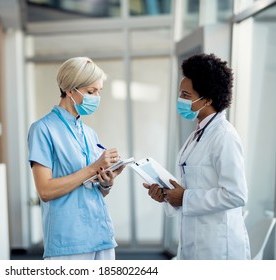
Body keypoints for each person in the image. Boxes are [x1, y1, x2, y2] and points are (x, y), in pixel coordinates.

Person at [144, 53, 250, 259]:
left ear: (208, 99)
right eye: (180, 94)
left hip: (218, 248)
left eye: (185, 95)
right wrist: (168, 196)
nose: (180, 100)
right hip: (194, 240)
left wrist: (185, 197)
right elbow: (191, 185)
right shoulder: (198, 134)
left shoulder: (224, 137)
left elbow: (236, 195)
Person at [27, 57, 125, 260]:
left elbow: (94, 191)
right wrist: (93, 168)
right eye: (91, 92)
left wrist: (107, 182)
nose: (97, 97)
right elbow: (45, 191)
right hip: (69, 240)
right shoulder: (42, 130)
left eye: (99, 91)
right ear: (70, 90)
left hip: (101, 235)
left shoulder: (89, 133)